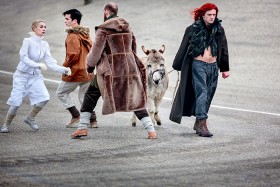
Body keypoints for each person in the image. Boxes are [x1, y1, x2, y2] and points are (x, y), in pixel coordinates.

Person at [70, 2, 157, 139]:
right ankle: (151, 131)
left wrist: (90, 66)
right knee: (135, 99)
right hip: (130, 69)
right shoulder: (128, 28)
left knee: (90, 96)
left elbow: (95, 53)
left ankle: (82, 128)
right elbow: (133, 49)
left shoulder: (103, 30)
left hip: (110, 71)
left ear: (105, 12)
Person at [169, 3, 230, 137]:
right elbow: (183, 47)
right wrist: (177, 65)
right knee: (202, 92)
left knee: (208, 94)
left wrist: (225, 68)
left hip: (213, 66)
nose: (212, 17)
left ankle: (198, 122)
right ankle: (203, 124)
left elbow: (223, 48)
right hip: (198, 65)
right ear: (202, 15)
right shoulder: (192, 29)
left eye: (214, 15)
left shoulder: (219, 29)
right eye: (209, 15)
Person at [0, 19, 71, 133]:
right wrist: (37, 64)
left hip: (35, 77)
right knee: (16, 102)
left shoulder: (44, 44)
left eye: (45, 27)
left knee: (45, 98)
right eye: (41, 26)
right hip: (21, 76)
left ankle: (30, 118)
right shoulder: (27, 41)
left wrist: (64, 69)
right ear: (34, 29)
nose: (44, 29)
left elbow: (50, 62)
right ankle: (5, 125)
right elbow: (23, 57)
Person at [56, 9, 98, 128]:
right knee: (84, 96)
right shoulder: (85, 34)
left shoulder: (72, 35)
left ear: (74, 21)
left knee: (61, 93)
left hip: (76, 72)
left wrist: (64, 67)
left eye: (67, 19)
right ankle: (93, 120)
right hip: (88, 71)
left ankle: (75, 115)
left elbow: (72, 55)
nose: (65, 21)